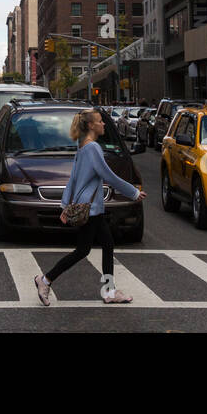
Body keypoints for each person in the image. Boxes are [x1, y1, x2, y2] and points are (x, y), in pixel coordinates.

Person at [34, 107, 145, 306]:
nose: (104, 124)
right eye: (100, 121)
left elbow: (73, 179)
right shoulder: (92, 148)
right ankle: (45, 280)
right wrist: (133, 192)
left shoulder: (82, 147)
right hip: (90, 209)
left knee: (101, 246)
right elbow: (108, 175)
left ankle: (108, 291)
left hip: (89, 207)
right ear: (92, 125)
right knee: (83, 250)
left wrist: (65, 205)